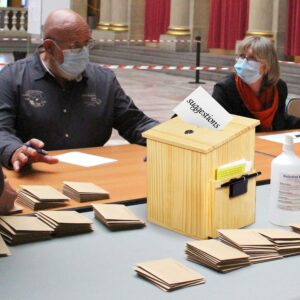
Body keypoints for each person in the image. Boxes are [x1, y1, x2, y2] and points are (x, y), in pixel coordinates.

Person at [0, 9, 158, 172]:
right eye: (75, 46)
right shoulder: (13, 77)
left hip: (92, 177)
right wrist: (14, 150)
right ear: (49, 47)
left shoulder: (103, 80)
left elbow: (134, 122)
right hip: (34, 175)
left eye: (87, 43)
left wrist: (167, 137)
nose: (83, 52)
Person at [212, 36, 300, 132]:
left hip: (270, 144)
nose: (244, 62)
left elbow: (280, 121)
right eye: (242, 56)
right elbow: (221, 130)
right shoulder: (225, 89)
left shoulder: (279, 87)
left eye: (252, 58)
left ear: (268, 66)